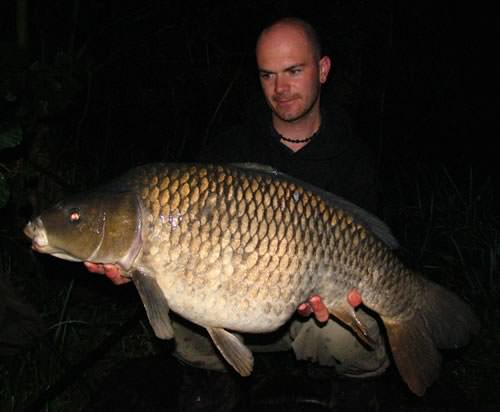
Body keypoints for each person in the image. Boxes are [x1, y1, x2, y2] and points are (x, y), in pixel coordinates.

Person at [85, 17, 389, 410]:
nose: (280, 89)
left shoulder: (354, 161)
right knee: (180, 316)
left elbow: (371, 248)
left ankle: (347, 385)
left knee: (349, 340)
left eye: (294, 71)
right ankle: (214, 383)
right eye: (268, 75)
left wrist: (335, 294)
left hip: (313, 315)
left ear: (323, 69)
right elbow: (176, 238)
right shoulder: (229, 147)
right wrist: (130, 263)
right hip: (234, 303)